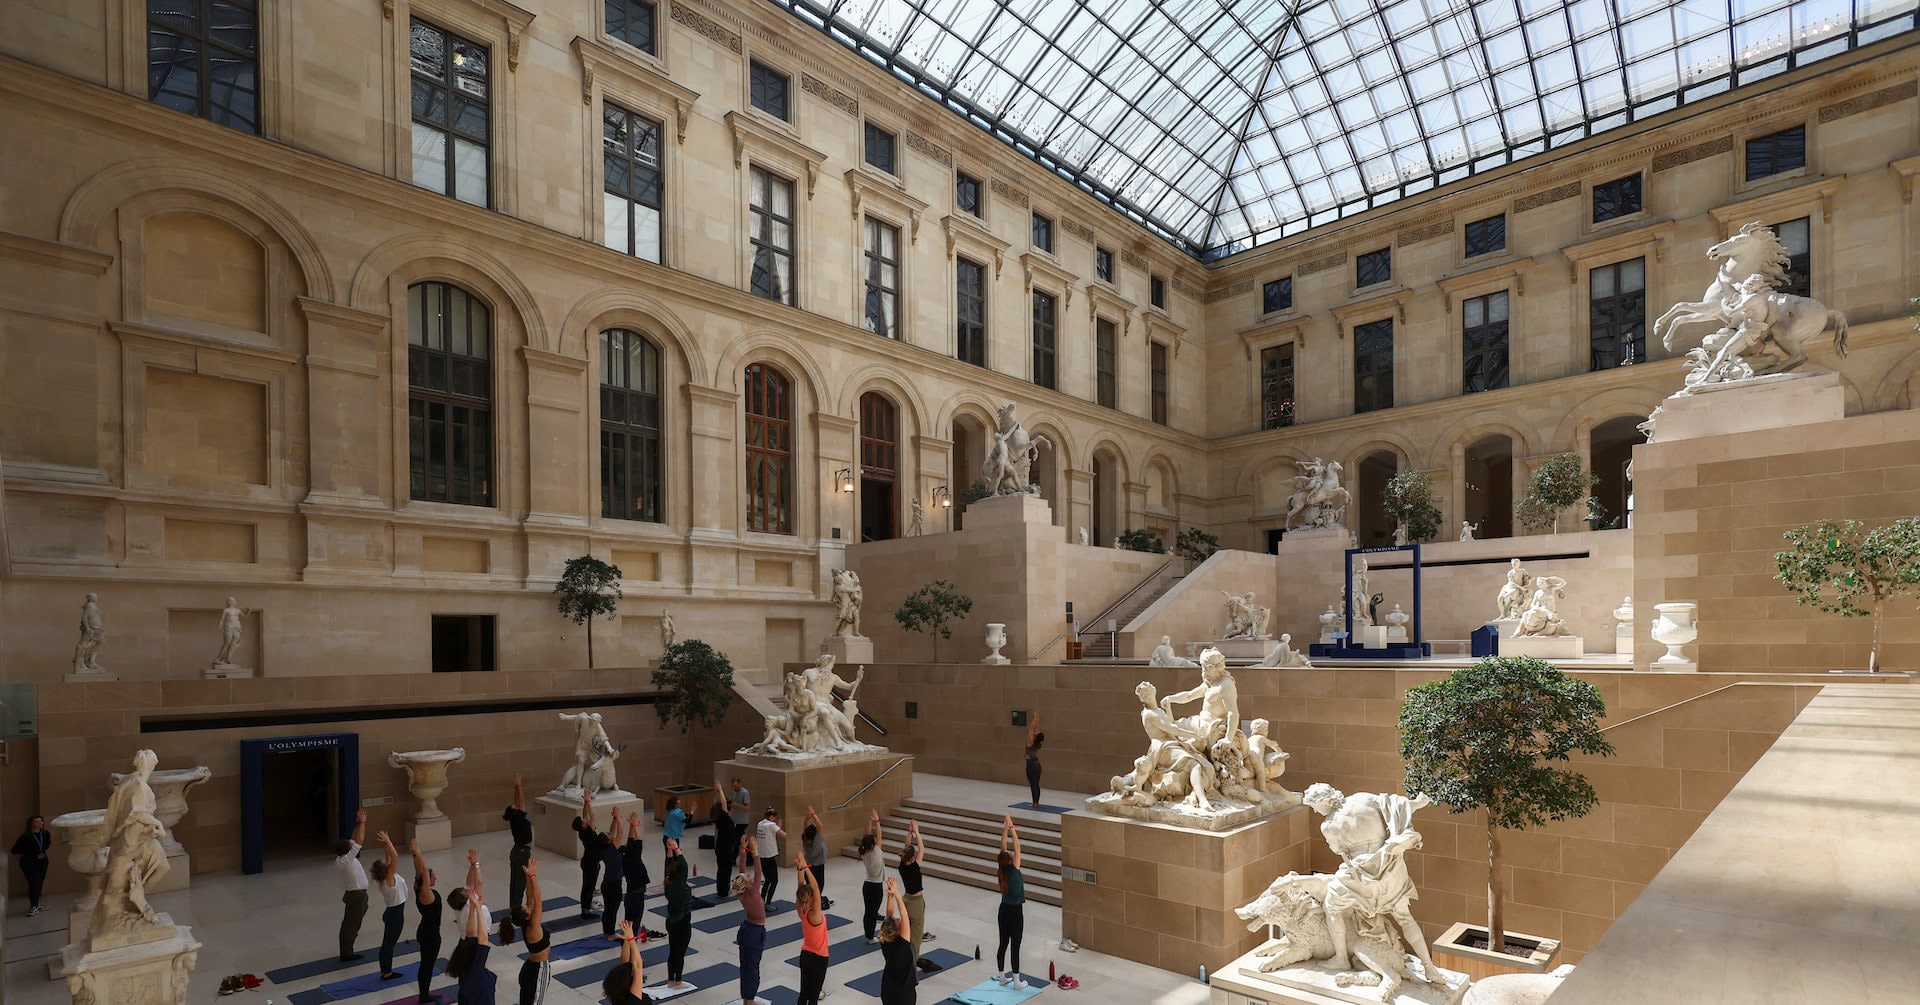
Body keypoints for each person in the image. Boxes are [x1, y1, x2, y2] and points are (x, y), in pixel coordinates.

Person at [450, 849, 495, 1005]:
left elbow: (469, 883)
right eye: (464, 891)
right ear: (465, 898)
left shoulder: (459, 908)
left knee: (470, 973)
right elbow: (478, 882)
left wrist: (471, 865)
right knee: (477, 971)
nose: (467, 889)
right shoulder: (470, 904)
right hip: (476, 941)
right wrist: (475, 864)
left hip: (466, 941)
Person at [407, 837, 443, 1004]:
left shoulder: (418, 888)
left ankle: (424, 993)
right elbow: (425, 872)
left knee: (426, 964)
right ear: (427, 880)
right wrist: (419, 853)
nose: (435, 876)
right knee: (427, 966)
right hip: (430, 936)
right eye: (432, 875)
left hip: (425, 931)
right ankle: (424, 995)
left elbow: (420, 871)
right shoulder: (425, 894)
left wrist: (415, 855)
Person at [733, 835, 767, 1005]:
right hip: (754, 932)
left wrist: (742, 848)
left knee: (746, 966)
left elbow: (741, 870)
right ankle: (749, 1000)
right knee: (752, 968)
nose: (749, 876)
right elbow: (759, 871)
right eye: (748, 878)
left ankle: (747, 997)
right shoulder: (752, 892)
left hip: (747, 929)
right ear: (747, 884)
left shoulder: (742, 892)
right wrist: (754, 850)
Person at [793, 848, 830, 1005]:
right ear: (811, 899)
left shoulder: (801, 910)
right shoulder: (814, 914)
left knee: (803, 994)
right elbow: (815, 888)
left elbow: (801, 887)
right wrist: (806, 868)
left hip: (805, 956)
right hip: (819, 958)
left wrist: (800, 868)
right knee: (813, 998)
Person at [513, 856, 551, 1005]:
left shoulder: (526, 923)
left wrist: (528, 876)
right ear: (527, 915)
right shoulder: (533, 927)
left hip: (530, 968)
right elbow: (538, 898)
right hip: (538, 971)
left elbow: (530, 896)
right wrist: (533, 876)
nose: (529, 906)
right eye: (527, 908)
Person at [994, 815, 1026, 989]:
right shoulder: (1014, 868)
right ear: (1010, 859)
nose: (1013, 853)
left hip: (1003, 910)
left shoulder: (1002, 869)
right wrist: (1012, 828)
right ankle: (1016, 981)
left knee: (1003, 943)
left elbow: (1003, 848)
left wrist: (1005, 828)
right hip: (1015, 912)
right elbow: (1017, 846)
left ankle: (1001, 977)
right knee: (1015, 945)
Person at [335, 808, 370, 961]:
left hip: (357, 895)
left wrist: (357, 824)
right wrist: (362, 822)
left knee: (352, 922)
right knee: (351, 924)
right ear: (347, 850)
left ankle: (347, 950)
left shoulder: (343, 858)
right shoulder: (346, 860)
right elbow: (360, 841)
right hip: (356, 896)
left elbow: (355, 839)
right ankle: (347, 953)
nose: (352, 845)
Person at [373, 830, 407, 980]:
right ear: (386, 869)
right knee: (389, 944)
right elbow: (395, 857)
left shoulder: (385, 877)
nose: (387, 861)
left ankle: (384, 969)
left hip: (392, 912)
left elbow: (389, 857)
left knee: (387, 942)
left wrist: (386, 843)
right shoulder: (389, 879)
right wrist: (388, 841)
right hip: (395, 914)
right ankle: (386, 972)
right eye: (385, 863)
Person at [502, 773, 533, 939]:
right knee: (519, 884)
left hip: (519, 852)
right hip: (521, 853)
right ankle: (517, 912)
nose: (517, 806)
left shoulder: (515, 817)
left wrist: (516, 787)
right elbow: (521, 802)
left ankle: (516, 909)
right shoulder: (518, 817)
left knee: (516, 883)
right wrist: (519, 786)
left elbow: (517, 803)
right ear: (515, 812)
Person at [877, 876, 916, 1005]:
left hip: (888, 988)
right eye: (897, 920)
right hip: (903, 993)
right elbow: (904, 914)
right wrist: (897, 893)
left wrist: (890, 895)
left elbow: (889, 916)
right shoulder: (903, 943)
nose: (898, 918)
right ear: (898, 930)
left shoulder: (885, 938)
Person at [898, 820, 930, 970]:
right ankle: (912, 962)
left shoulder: (902, 866)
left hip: (906, 900)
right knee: (916, 936)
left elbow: (907, 848)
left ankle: (904, 956)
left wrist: (909, 833)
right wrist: (916, 832)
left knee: (906, 931)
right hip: (916, 902)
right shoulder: (915, 867)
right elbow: (922, 849)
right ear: (913, 858)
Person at [663, 837, 693, 989]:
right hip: (683, 921)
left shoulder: (668, 883)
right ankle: (678, 981)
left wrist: (670, 849)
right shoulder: (681, 885)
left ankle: (670, 980)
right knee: (680, 952)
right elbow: (684, 865)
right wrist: (676, 848)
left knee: (672, 950)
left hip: (671, 921)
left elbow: (668, 864)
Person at [600, 920, 653, 1005]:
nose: (640, 959)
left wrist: (627, 939)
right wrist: (631, 939)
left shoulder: (621, 989)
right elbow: (638, 966)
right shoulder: (633, 997)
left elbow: (624, 960)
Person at [571, 791, 606, 920]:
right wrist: (589, 802)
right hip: (590, 863)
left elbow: (585, 814)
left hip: (588, 861)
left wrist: (585, 801)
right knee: (588, 886)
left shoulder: (582, 831)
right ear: (583, 825)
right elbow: (593, 816)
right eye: (583, 820)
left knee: (587, 885)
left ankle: (586, 906)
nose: (585, 819)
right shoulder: (587, 832)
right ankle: (585, 911)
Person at [11, 815, 50, 917]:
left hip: (42, 861)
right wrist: (30, 854)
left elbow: (47, 845)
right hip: (29, 862)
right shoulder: (25, 836)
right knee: (34, 882)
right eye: (37, 822)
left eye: (41, 821)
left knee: (40, 881)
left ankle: (37, 904)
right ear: (31, 824)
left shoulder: (45, 833)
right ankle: (33, 906)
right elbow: (14, 850)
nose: (40, 823)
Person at [619, 811, 650, 943]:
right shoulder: (634, 859)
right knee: (634, 924)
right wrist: (635, 826)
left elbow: (632, 842)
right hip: (636, 896)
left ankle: (627, 946)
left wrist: (632, 826)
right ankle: (631, 950)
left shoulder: (625, 859)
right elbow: (639, 841)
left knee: (628, 923)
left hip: (631, 894)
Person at [599, 809, 627, 940]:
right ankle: (610, 933)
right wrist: (618, 817)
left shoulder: (606, 848)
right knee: (612, 910)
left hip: (607, 883)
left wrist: (614, 819)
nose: (611, 834)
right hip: (613, 885)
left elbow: (613, 831)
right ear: (609, 841)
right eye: (609, 835)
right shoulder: (612, 848)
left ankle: (607, 931)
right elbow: (620, 833)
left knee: (608, 910)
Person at [859, 811, 885, 943]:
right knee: (872, 912)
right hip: (875, 886)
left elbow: (868, 835)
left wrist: (870, 821)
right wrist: (877, 822)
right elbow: (879, 836)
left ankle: (868, 935)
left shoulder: (864, 851)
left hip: (867, 884)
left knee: (868, 911)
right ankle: (870, 937)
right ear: (872, 844)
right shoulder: (876, 852)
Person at [710, 781, 737, 899]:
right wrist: (720, 789)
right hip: (726, 847)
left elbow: (720, 803)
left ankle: (721, 890)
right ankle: (724, 891)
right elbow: (723, 803)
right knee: (726, 870)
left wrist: (717, 792)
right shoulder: (723, 817)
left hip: (721, 846)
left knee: (721, 869)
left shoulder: (718, 818)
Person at [801, 806, 832, 910]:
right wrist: (813, 815)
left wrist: (807, 818)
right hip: (817, 867)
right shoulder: (816, 842)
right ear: (815, 835)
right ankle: (814, 908)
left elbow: (805, 827)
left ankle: (809, 906)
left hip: (809, 868)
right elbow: (821, 826)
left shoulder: (805, 839)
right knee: (817, 890)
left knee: (810, 889)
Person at [755, 808, 784, 903]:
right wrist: (779, 826)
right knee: (774, 881)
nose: (775, 819)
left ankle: (762, 901)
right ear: (771, 817)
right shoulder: (771, 825)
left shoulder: (760, 824)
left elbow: (770, 834)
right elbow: (783, 835)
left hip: (761, 856)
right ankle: (768, 903)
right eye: (774, 817)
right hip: (770, 857)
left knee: (767, 880)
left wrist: (777, 827)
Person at [1023, 713, 1045, 809]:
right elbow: (1035, 730)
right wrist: (1037, 720)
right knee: (1036, 784)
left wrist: (1035, 718)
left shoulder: (1031, 742)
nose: (1034, 733)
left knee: (1033, 784)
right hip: (1037, 765)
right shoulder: (1037, 743)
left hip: (1031, 764)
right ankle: (1036, 802)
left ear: (1035, 737)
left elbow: (1031, 729)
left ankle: (1035, 803)